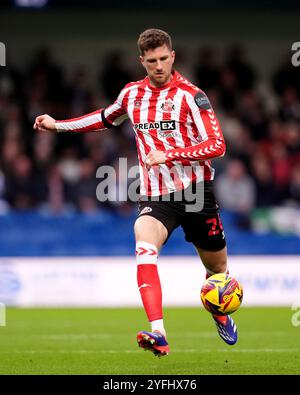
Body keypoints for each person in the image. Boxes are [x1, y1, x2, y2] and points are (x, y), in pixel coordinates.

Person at [34, 28, 238, 357]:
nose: (158, 66)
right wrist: (58, 125)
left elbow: (218, 145)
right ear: (142, 61)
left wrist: (170, 154)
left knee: (217, 270)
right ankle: (159, 333)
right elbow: (103, 118)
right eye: (151, 61)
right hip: (157, 196)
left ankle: (218, 309)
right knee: (144, 245)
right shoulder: (131, 94)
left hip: (196, 193)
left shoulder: (192, 95)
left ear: (172, 57)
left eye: (163, 59)